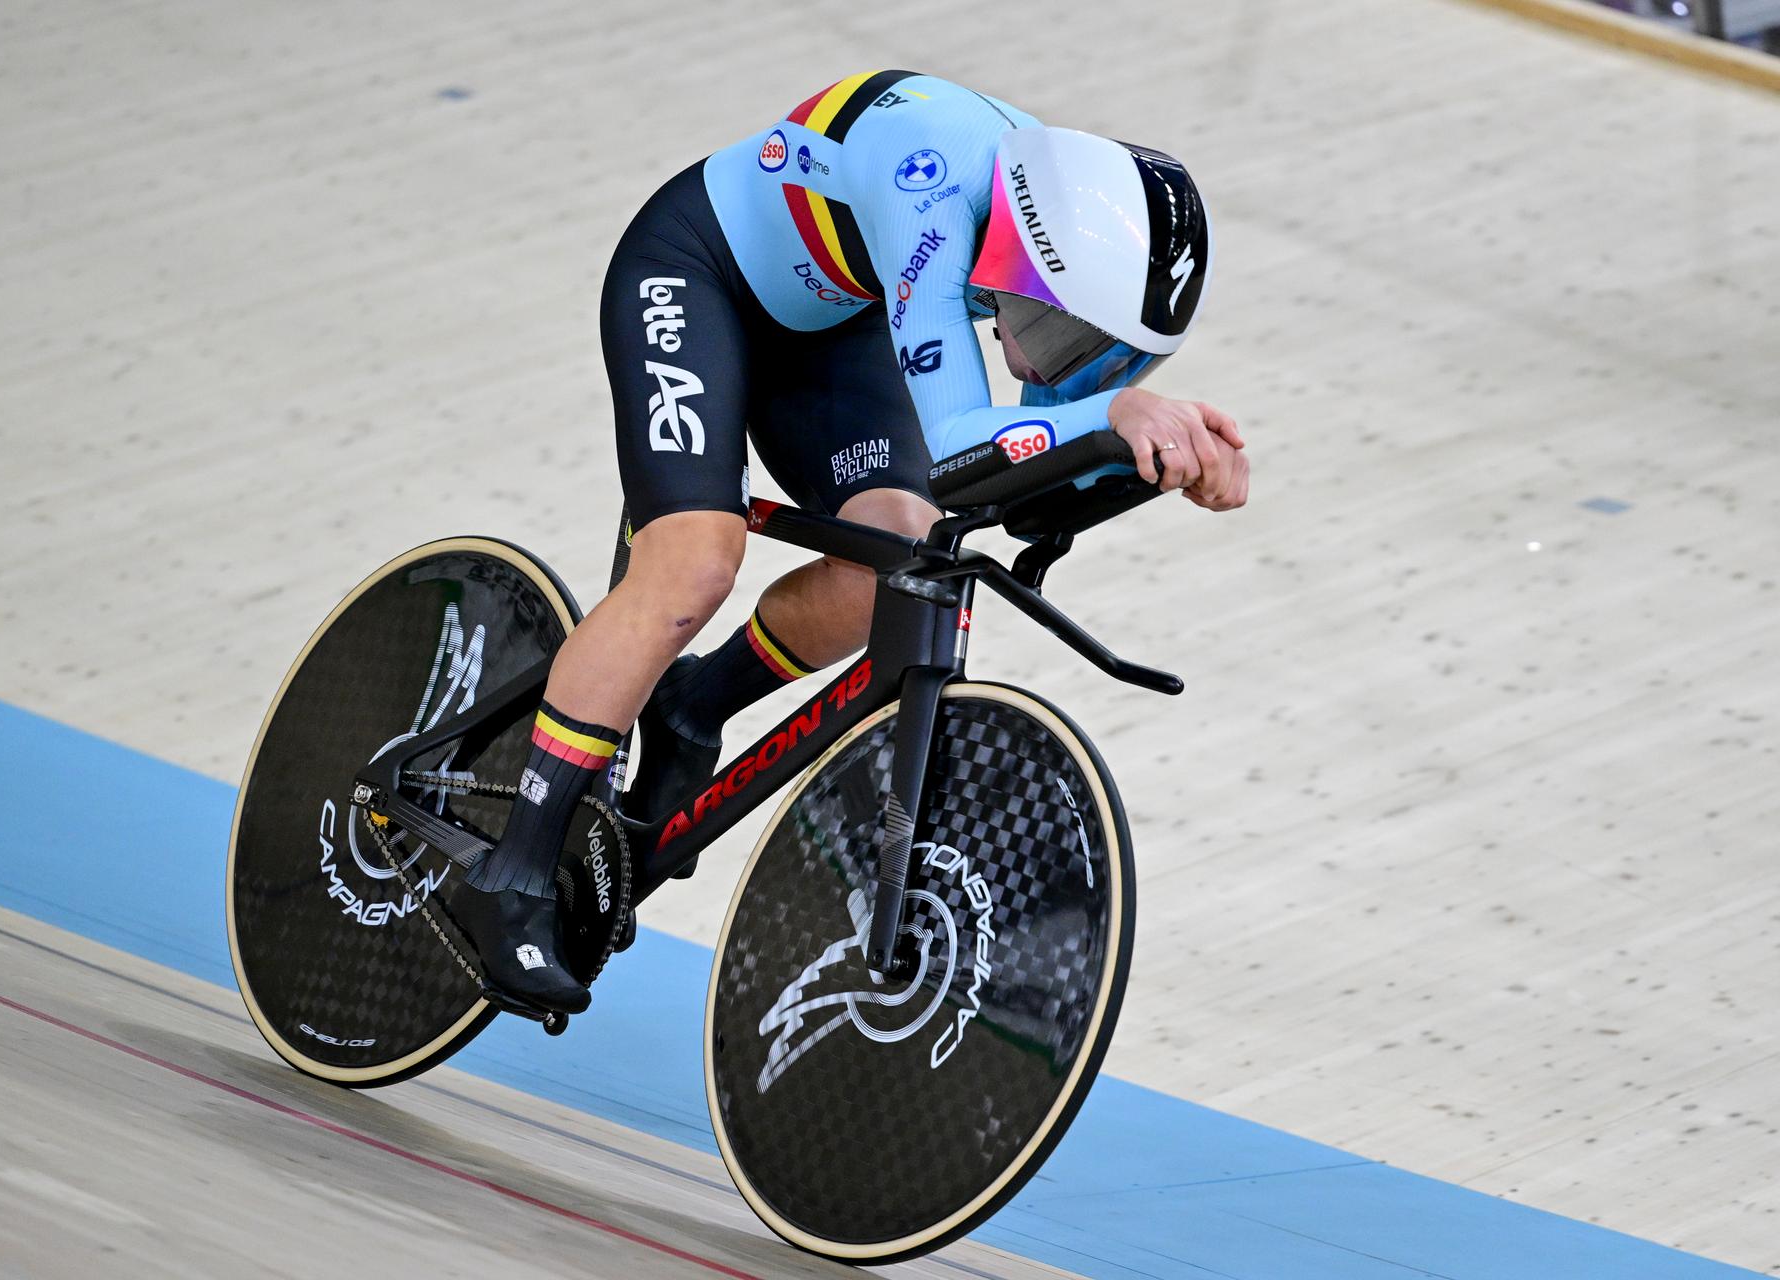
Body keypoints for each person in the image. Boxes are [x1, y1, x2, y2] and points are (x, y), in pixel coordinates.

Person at [456, 70, 1249, 1012]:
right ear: (1042, 264)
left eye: (1095, 352)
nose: (1051, 360)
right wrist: (1111, 414)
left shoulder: (1049, 211)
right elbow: (963, 443)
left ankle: (690, 706)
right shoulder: (936, 192)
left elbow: (1017, 479)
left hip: (828, 327)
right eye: (1068, 332)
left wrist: (1141, 464)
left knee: (901, 554)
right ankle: (510, 873)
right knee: (694, 563)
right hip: (694, 272)